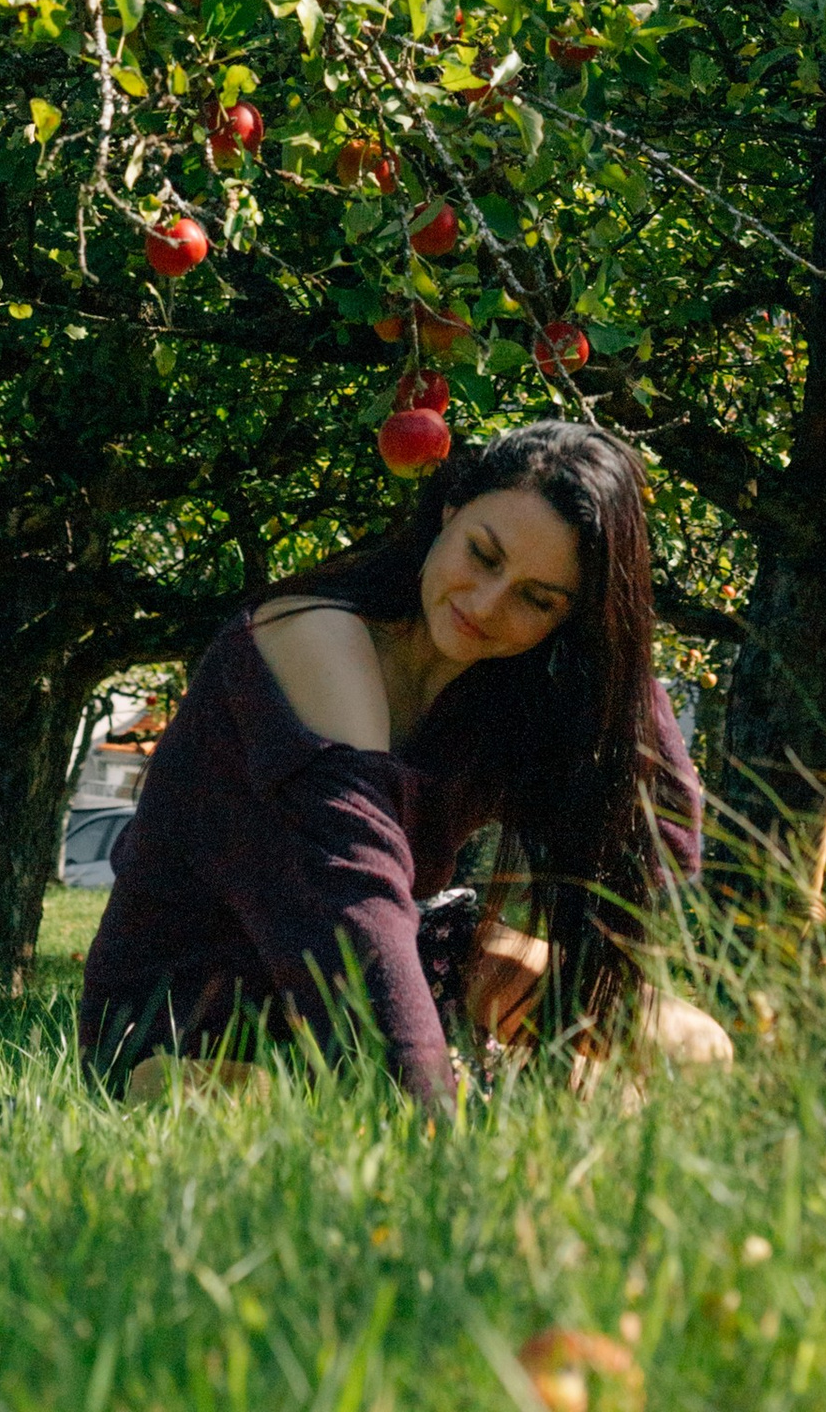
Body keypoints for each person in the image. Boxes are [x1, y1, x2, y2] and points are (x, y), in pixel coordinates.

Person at [78, 422, 733, 1110]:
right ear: (449, 512)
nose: (486, 604)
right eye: (483, 555)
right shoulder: (313, 637)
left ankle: (486, 1100)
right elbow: (352, 905)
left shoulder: (506, 689)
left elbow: (664, 834)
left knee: (692, 1051)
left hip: (413, 956)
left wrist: (619, 663)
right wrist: (430, 1120)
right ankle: (445, 1101)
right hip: (203, 1015)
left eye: (536, 599)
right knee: (252, 1105)